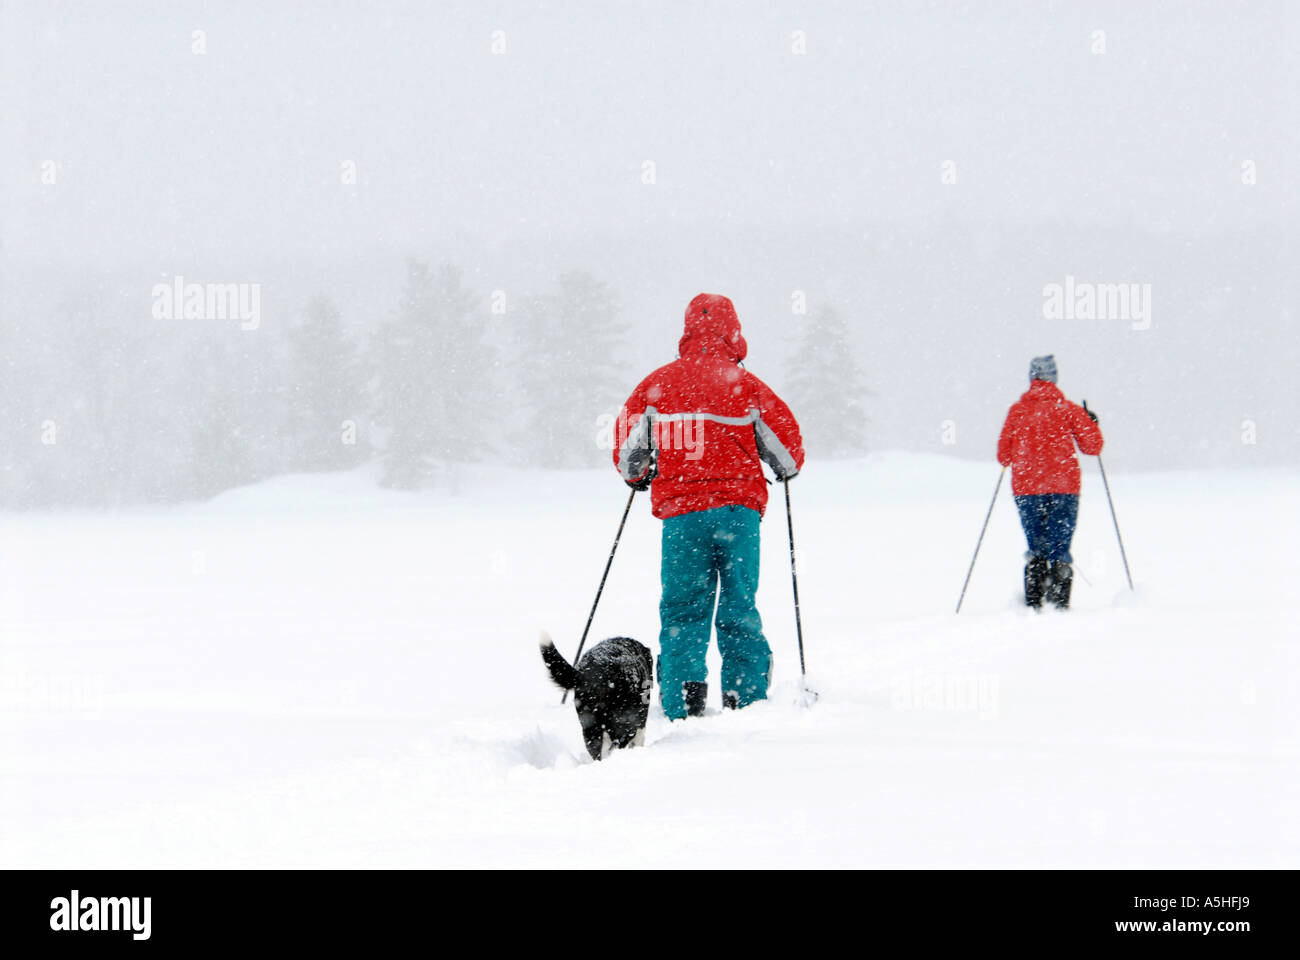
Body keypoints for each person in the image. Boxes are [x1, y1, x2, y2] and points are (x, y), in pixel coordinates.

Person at [613, 293, 804, 719]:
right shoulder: (747, 387)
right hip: (738, 514)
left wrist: (640, 475)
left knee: (683, 609)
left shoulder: (656, 387)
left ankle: (683, 703)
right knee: (739, 604)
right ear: (733, 331)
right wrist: (775, 465)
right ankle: (745, 697)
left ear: (687, 330)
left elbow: (628, 456)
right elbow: (789, 455)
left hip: (682, 518)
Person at [997, 355, 1103, 609]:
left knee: (1036, 543)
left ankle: (1034, 598)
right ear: (1054, 378)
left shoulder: (1018, 411)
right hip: (1064, 486)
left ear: (1032, 378)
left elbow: (1003, 456)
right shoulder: (1068, 409)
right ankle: (1060, 598)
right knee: (1060, 542)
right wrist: (1092, 423)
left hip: (1027, 488)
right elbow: (1093, 446)